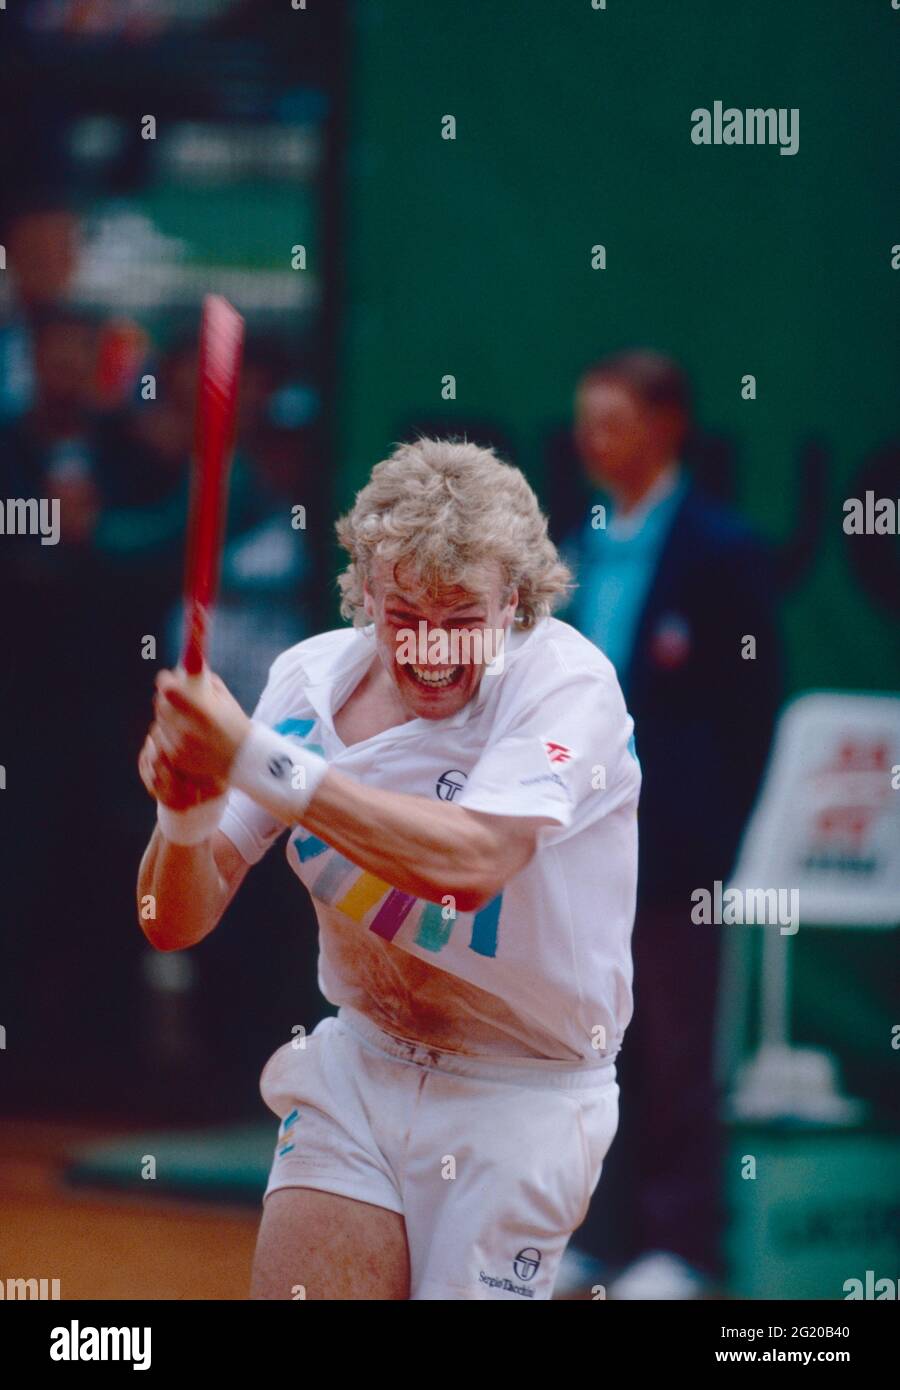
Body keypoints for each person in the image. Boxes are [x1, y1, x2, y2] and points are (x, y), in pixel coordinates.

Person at [136, 437, 641, 1301]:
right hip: (358, 1066)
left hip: (520, 1100)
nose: (433, 651)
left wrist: (262, 764)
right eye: (405, 617)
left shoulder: (567, 688)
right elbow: (171, 917)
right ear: (365, 594)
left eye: (461, 620)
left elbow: (474, 862)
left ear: (512, 602)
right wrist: (182, 814)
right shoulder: (306, 685)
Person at [565, 350, 781, 1297]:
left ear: (665, 426)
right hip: (582, 844)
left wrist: (713, 836)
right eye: (584, 419)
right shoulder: (578, 537)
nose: (589, 439)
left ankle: (681, 1249)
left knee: (678, 1045)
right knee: (592, 1040)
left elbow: (754, 706)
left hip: (681, 846)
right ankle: (595, 1238)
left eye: (609, 419)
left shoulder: (724, 550)